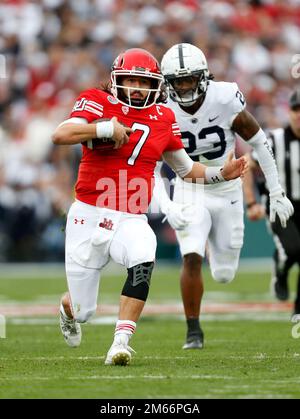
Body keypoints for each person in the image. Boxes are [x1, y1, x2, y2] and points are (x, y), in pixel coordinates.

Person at [52, 48, 247, 366]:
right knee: (84, 310)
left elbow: (187, 170)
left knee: (144, 252)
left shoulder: (163, 117)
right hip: (88, 213)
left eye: (144, 82)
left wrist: (220, 174)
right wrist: (104, 128)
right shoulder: (97, 101)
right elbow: (60, 134)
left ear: (155, 85)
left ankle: (120, 342)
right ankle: (68, 307)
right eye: (131, 80)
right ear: (117, 80)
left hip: (131, 215)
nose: (137, 88)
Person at [153, 43, 294, 349]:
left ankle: (219, 269)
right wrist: (166, 204)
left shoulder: (224, 97)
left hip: (228, 187)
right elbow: (149, 165)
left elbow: (259, 142)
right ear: (168, 83)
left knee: (225, 274)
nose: (185, 87)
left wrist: (276, 190)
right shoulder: (161, 109)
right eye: (178, 82)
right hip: (189, 188)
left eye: (190, 79)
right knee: (191, 255)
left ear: (203, 77)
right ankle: (193, 330)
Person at [244, 89, 300, 320]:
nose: (299, 115)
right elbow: (247, 164)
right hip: (280, 207)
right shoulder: (274, 139)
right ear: (289, 111)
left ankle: (298, 309)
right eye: (296, 110)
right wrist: (250, 203)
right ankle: (280, 271)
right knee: (294, 250)